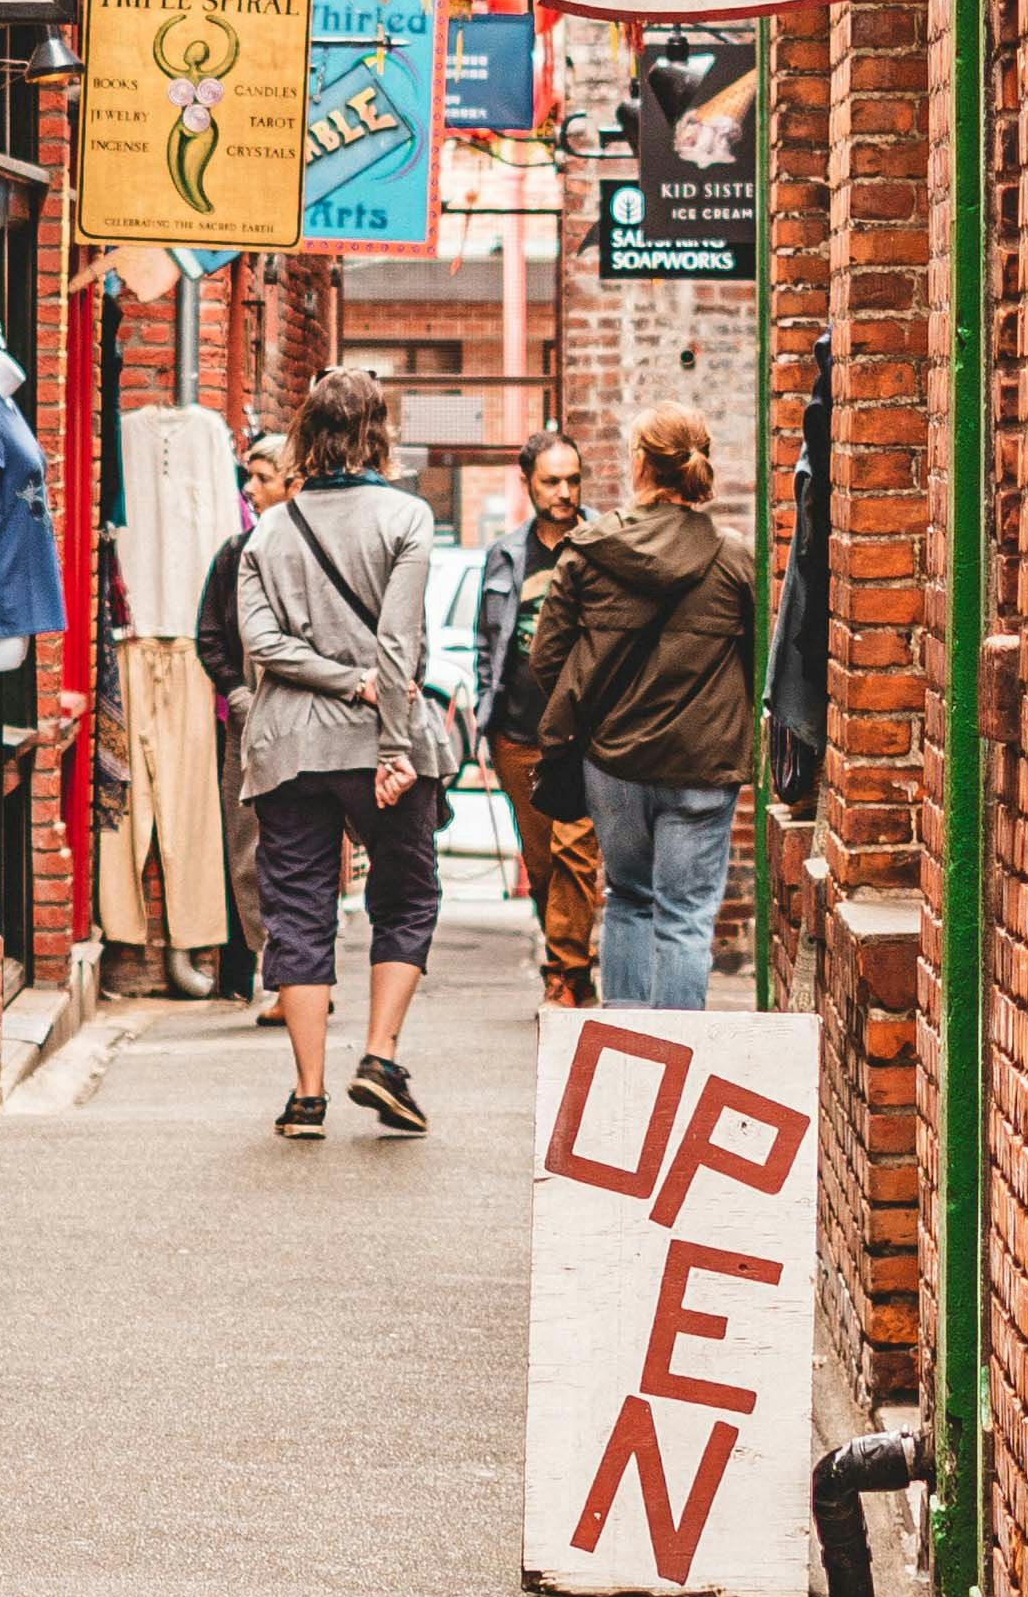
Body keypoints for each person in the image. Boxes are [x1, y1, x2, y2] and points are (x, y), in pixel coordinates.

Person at [234, 365, 448, 1142]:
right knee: (405, 895)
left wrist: (331, 676)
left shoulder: (266, 530)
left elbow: (260, 645)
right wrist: (391, 737)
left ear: (305, 439)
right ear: (377, 433)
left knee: (297, 907)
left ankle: (306, 1094)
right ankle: (381, 1058)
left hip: (286, 747)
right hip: (375, 745)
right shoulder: (406, 518)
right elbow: (399, 644)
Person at [527, 408, 755, 1012]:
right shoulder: (735, 559)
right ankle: (677, 1065)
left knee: (628, 897)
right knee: (684, 916)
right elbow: (761, 665)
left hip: (614, 764)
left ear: (639, 464)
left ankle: (624, 1060)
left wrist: (596, 712)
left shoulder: (589, 553)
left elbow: (546, 660)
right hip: (703, 765)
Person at [473, 430, 603, 1009]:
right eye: (552, 481)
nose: (565, 492)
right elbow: (487, 642)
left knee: (578, 853)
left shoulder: (605, 540)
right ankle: (568, 958)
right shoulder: (505, 554)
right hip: (518, 732)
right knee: (543, 861)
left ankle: (566, 975)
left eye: (573, 480)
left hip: (585, 732)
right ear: (528, 482)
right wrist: (484, 718)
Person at [194, 428, 290, 1010]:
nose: (250, 489)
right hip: (247, 725)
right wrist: (236, 692)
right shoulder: (233, 555)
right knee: (248, 850)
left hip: (306, 724)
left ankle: (300, 976)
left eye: (262, 477)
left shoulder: (306, 549)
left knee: (304, 850)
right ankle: (277, 970)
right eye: (248, 477)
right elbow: (209, 635)